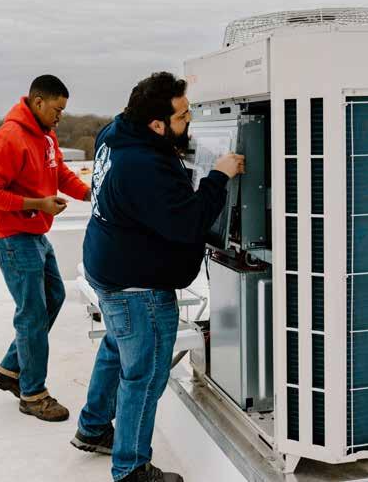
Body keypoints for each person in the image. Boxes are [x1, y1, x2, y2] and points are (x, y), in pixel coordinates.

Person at [71, 72, 245, 481]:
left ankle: (93, 428)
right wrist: (219, 175)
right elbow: (189, 223)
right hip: (137, 287)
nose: (189, 122)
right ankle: (131, 469)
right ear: (156, 124)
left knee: (117, 347)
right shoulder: (142, 165)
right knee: (144, 376)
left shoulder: (115, 133)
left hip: (108, 269)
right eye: (182, 116)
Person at [0, 75, 91, 422]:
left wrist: (90, 194)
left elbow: (60, 173)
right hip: (9, 236)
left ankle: (10, 370)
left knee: (54, 296)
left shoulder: (46, 136)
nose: (60, 117)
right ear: (38, 102)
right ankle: (33, 394)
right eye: (57, 109)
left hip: (33, 232)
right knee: (33, 315)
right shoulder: (9, 138)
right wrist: (38, 203)